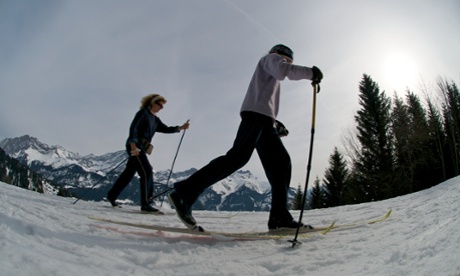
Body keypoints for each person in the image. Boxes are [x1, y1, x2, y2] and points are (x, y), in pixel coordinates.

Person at [168, 44, 323, 230]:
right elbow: (283, 71)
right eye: (288, 61)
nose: (287, 64)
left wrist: (274, 124)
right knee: (237, 158)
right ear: (281, 55)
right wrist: (311, 73)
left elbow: (265, 100)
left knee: (281, 163)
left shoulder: (271, 73)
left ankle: (279, 218)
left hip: (264, 120)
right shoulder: (271, 58)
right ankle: (184, 192)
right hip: (256, 117)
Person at [107, 94, 190, 212]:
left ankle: (112, 196)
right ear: (152, 103)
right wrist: (133, 145)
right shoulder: (143, 113)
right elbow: (134, 129)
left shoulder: (155, 119)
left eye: (162, 106)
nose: (161, 108)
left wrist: (181, 127)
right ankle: (146, 203)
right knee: (146, 171)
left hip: (141, 148)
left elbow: (166, 129)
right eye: (159, 105)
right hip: (135, 146)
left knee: (129, 173)